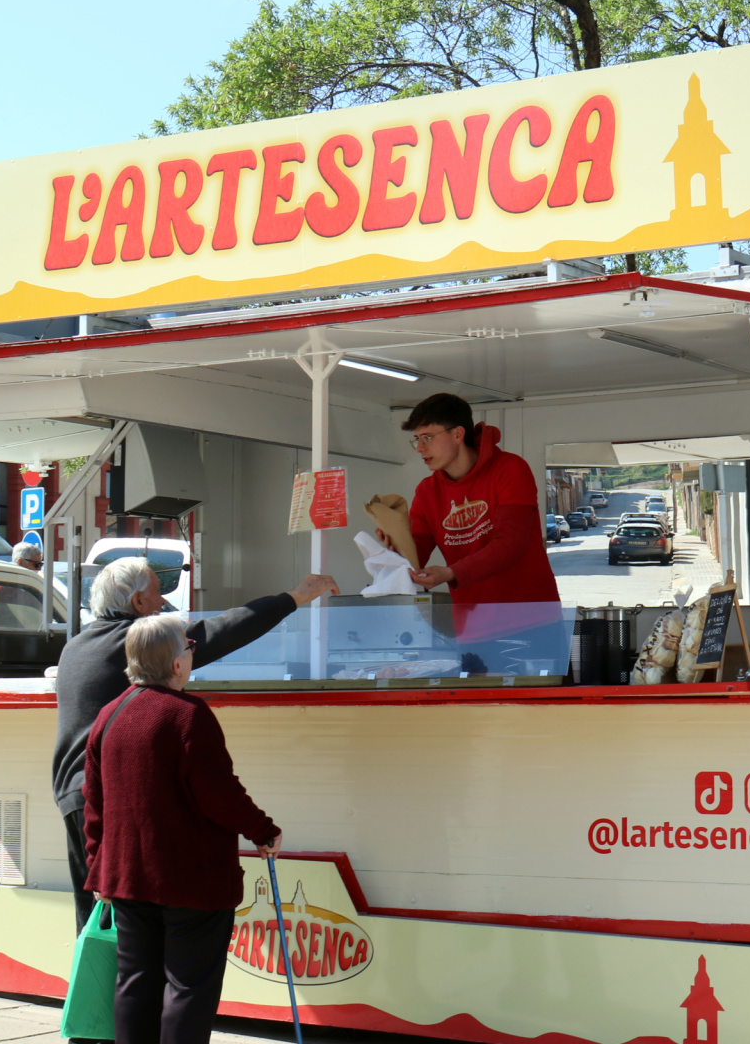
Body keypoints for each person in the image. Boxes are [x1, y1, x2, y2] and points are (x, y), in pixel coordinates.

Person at [52, 558, 337, 935]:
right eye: (157, 593)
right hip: (107, 799)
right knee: (124, 927)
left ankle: (98, 992)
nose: (164, 604)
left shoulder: (77, 646)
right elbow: (219, 631)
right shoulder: (134, 645)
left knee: (97, 923)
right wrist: (296, 596)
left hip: (79, 797)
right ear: (138, 603)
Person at [83, 614, 278, 1044]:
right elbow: (218, 793)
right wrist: (263, 831)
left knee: (135, 982)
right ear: (176, 664)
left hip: (129, 878)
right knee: (188, 987)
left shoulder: (108, 717)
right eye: (189, 647)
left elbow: (93, 803)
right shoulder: (189, 716)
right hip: (192, 881)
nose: (192, 654)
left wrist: (97, 866)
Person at [382, 393, 562, 674]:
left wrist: (450, 573)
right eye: (416, 439)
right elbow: (415, 556)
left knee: (540, 716)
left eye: (427, 437)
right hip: (472, 630)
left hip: (532, 623)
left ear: (457, 434)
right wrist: (394, 546)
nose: (419, 448)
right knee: (479, 717)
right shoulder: (427, 491)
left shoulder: (510, 469)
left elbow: (510, 544)